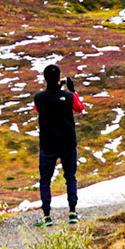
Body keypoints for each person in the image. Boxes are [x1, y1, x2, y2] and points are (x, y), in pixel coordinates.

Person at [33, 64, 85, 226]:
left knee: (45, 180)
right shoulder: (68, 96)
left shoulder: (39, 98)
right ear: (59, 78)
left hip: (48, 144)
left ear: (45, 79)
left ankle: (47, 216)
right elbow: (79, 108)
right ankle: (72, 212)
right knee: (70, 177)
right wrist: (71, 90)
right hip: (68, 143)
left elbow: (37, 110)